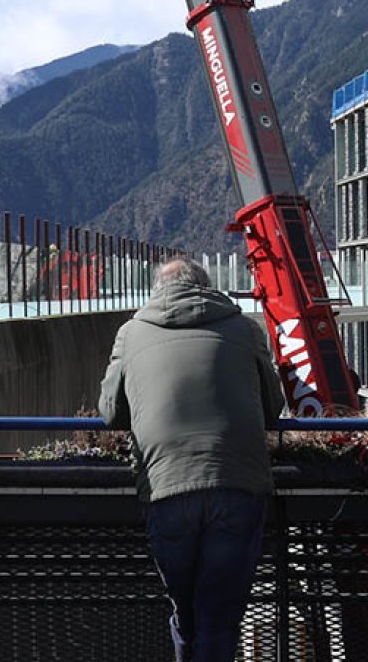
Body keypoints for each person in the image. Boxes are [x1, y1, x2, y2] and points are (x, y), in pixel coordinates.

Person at [99, 257, 285, 662]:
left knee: (185, 612)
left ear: (157, 290)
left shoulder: (131, 334)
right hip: (237, 480)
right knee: (220, 615)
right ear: (206, 286)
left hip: (166, 481)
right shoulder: (245, 328)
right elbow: (274, 407)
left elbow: (110, 411)